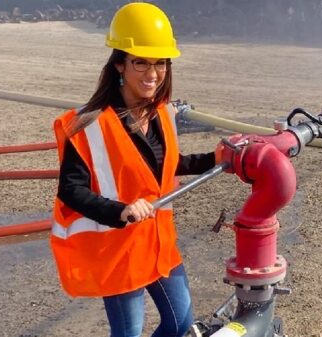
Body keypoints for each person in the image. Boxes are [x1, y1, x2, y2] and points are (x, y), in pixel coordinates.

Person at [50, 3, 221, 336]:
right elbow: (71, 190)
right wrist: (121, 209)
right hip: (120, 250)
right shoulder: (88, 124)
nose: (152, 73)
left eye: (160, 63)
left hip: (158, 245)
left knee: (180, 322)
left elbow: (168, 164)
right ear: (119, 65)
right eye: (140, 62)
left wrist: (216, 158)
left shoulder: (162, 114)